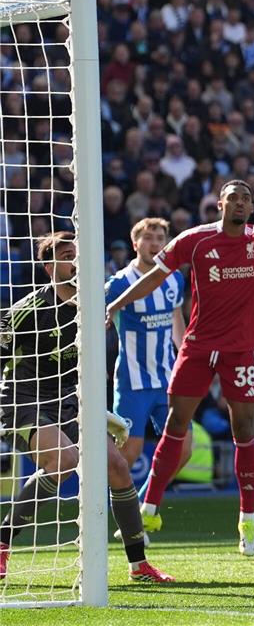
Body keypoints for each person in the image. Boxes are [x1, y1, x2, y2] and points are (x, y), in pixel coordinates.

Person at [105, 175, 254, 556]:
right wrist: (116, 304)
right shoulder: (194, 240)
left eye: (246, 198)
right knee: (176, 425)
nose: (240, 203)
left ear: (251, 208)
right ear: (219, 205)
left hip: (240, 352)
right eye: (232, 198)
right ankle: (150, 509)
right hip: (196, 349)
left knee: (244, 427)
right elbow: (154, 278)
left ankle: (247, 519)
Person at [0, 232, 173, 582]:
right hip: (23, 401)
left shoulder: (93, 309)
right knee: (64, 460)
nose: (76, 261)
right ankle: (3, 541)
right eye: (67, 255)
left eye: (79, 254)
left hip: (69, 402)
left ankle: (139, 564)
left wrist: (102, 412)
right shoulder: (26, 312)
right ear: (50, 267)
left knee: (117, 467)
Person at [105, 218, 189, 475]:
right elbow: (100, 326)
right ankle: (110, 507)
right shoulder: (118, 284)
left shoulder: (174, 279)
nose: (155, 243)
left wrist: (189, 360)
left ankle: (143, 503)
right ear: (135, 244)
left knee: (183, 449)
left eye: (160, 238)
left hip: (167, 379)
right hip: (133, 382)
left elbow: (177, 321)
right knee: (129, 452)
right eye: (148, 238)